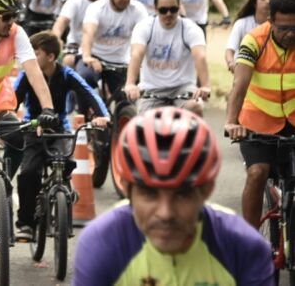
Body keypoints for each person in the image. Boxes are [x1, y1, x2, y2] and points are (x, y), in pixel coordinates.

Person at [74, 107, 274, 285]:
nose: (165, 213)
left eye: (182, 195)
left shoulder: (245, 247)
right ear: (127, 189)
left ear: (207, 189)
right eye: (150, 194)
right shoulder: (102, 244)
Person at [14, 32, 108, 239]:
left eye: (36, 53)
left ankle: (64, 193)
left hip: (59, 130)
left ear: (50, 56)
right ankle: (26, 223)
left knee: (65, 162)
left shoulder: (66, 74)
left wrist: (103, 116)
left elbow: (89, 94)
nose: (31, 57)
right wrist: (9, 121)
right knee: (29, 172)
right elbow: (12, 100)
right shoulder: (26, 76)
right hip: (33, 129)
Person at [224, 0, 295, 228]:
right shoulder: (254, 40)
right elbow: (240, 84)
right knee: (257, 173)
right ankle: (250, 241)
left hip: (292, 120)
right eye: (284, 28)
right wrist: (232, 122)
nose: (290, 34)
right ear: (271, 22)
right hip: (257, 122)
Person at [124, 0, 210, 114]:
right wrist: (130, 84)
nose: (169, 14)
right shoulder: (145, 27)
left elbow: (200, 57)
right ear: (155, 9)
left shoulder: (190, 29)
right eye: (163, 10)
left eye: (173, 9)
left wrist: (205, 86)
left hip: (182, 88)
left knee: (195, 107)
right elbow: (136, 54)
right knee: (144, 124)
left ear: (179, 7)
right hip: (152, 89)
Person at [80, 0, 148, 98]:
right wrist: (87, 56)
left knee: (126, 99)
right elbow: (88, 32)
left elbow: (145, 37)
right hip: (95, 57)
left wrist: (142, 62)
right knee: (85, 79)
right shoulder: (96, 8)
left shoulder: (138, 10)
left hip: (121, 61)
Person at [52, 0, 108, 67]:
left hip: (101, 46)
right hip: (76, 43)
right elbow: (61, 22)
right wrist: (55, 39)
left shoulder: (108, 0)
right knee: (68, 62)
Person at [225, 0, 275, 72]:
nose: (267, 1)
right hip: (243, 69)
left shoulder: (277, 26)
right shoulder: (241, 23)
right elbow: (230, 49)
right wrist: (231, 63)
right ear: (254, 3)